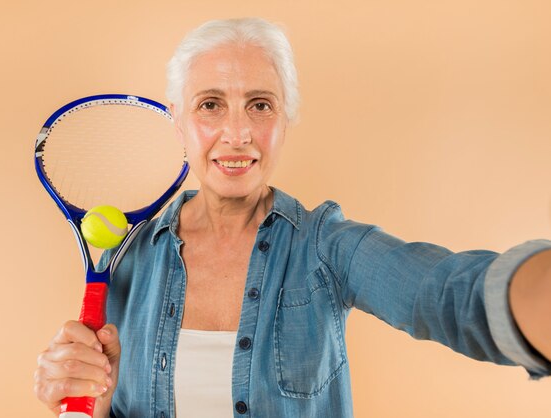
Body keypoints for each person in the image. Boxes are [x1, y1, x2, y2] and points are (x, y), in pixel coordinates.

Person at [34, 17, 551, 418]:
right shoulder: (129, 257)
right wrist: (84, 396)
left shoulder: (326, 246)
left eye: (260, 105)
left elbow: (447, 294)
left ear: (285, 118)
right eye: (210, 104)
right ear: (179, 121)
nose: (237, 134)